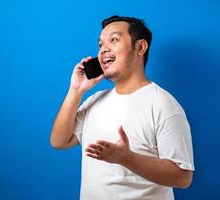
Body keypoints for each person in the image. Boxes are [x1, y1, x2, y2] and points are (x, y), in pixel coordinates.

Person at [50, 15, 195, 200]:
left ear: (140, 47)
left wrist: (126, 158)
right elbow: (59, 141)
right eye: (101, 44)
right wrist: (75, 91)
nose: (103, 50)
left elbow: (183, 177)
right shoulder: (95, 100)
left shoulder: (163, 105)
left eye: (114, 40)